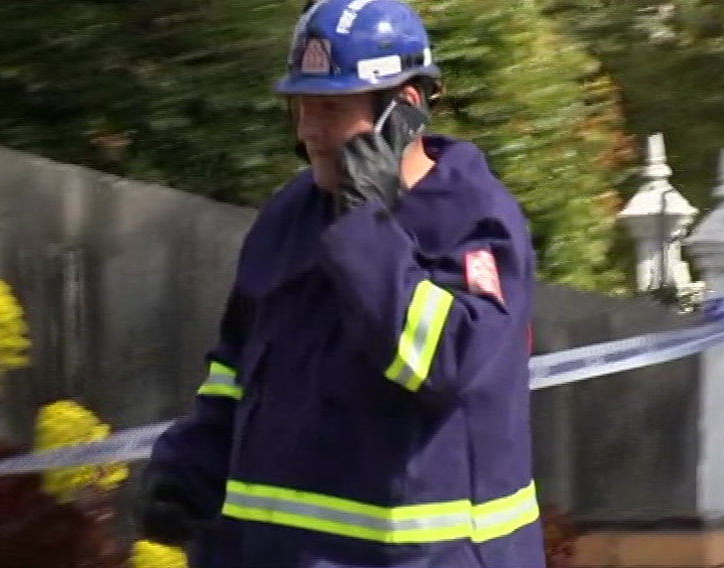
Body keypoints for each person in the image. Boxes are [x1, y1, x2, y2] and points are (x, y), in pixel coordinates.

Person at [136, 0, 545, 566]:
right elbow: (236, 368)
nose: (310, 133)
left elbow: (441, 366)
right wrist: (189, 465)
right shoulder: (289, 214)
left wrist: (365, 230)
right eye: (302, 107)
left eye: (331, 108)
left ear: (404, 110)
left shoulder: (475, 220)